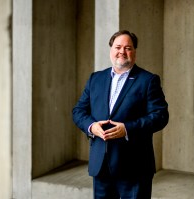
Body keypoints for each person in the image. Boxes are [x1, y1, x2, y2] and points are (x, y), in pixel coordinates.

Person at [72, 30, 169, 199]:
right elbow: (79, 111)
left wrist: (127, 129)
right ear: (111, 50)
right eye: (118, 47)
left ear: (134, 52)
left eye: (128, 48)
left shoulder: (148, 80)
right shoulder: (96, 78)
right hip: (100, 165)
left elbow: (160, 116)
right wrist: (91, 126)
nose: (122, 51)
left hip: (134, 167)